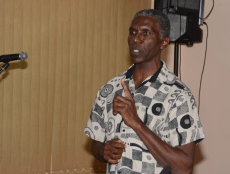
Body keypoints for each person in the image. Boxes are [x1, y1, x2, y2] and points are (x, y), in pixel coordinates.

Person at [84, 9, 205, 174]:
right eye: (132, 32)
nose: (136, 39)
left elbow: (184, 167)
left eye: (145, 33)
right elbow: (96, 144)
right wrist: (103, 150)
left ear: (164, 42)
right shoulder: (110, 89)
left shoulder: (179, 96)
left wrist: (136, 123)